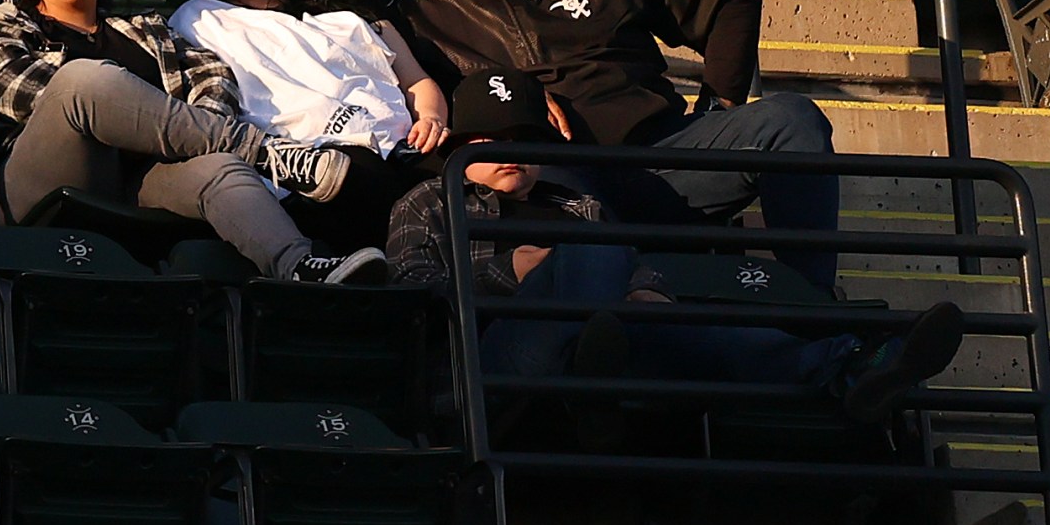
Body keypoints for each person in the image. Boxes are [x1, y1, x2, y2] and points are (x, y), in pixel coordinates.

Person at [389, 0, 842, 289]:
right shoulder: (414, 13)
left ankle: (812, 302)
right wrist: (514, 103)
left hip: (666, 154)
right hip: (550, 188)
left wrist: (718, 104)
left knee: (791, 121)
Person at [386, 70, 966, 429]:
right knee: (596, 251)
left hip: (613, 340)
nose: (509, 151)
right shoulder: (428, 203)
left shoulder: (573, 203)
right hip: (496, 359)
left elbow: (631, 266)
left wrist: (649, 289)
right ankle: (592, 376)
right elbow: (412, 300)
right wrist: (504, 274)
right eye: (490, 139)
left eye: (523, 138)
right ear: (460, 145)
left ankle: (853, 367)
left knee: (685, 319)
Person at [0, 0, 385, 284]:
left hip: (142, 183)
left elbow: (215, 80)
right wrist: (140, 111)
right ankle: (267, 154)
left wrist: (178, 134)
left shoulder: (149, 32)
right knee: (82, 81)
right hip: (42, 183)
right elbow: (15, 91)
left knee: (220, 165)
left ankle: (300, 266)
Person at [168, 0, 450, 246]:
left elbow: (417, 81)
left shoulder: (355, 20)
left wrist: (431, 117)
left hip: (405, 153)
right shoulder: (198, 20)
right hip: (309, 177)